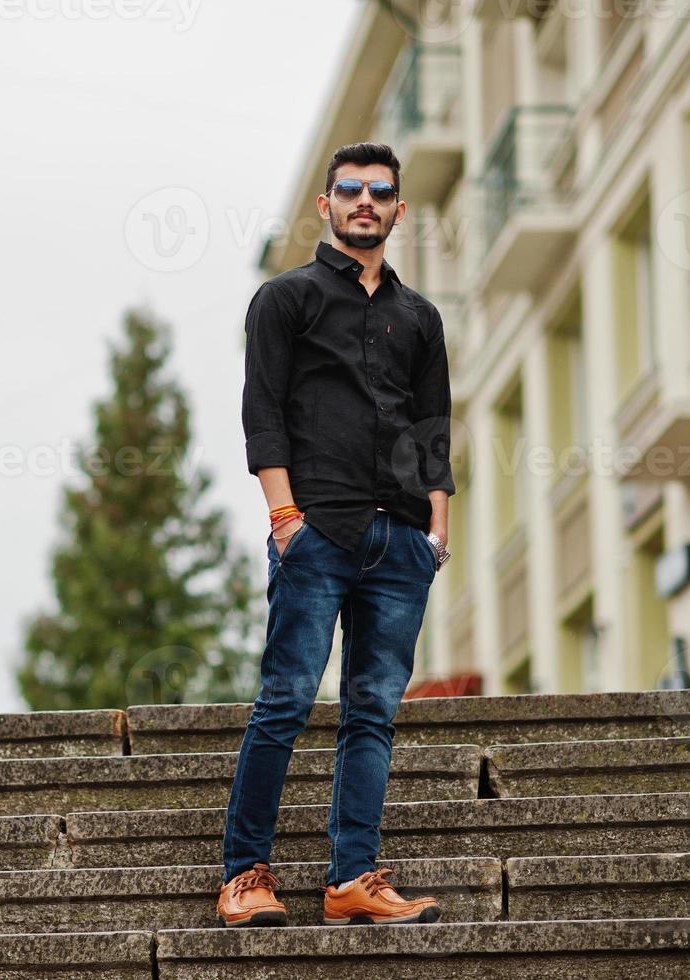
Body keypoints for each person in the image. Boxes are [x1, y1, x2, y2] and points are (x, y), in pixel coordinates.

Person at [216, 141, 455, 927]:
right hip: (317, 530)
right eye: (348, 189)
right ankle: (245, 876)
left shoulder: (419, 317)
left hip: (400, 542)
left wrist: (436, 533)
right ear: (325, 205)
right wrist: (284, 518)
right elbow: (263, 412)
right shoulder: (284, 300)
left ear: (397, 210)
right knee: (284, 701)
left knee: (371, 712)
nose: (364, 201)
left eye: (378, 192)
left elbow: (431, 429)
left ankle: (353, 878)